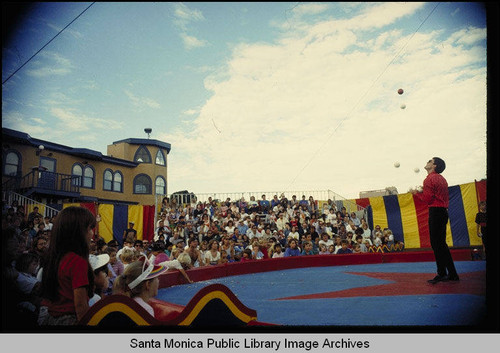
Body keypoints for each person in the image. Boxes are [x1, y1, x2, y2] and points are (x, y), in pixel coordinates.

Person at [38, 206, 96, 325]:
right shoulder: (77, 261)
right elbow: (80, 305)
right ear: (77, 231)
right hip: (70, 319)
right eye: (90, 228)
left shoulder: (55, 258)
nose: (92, 233)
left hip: (52, 318)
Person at [411, 157, 459, 284]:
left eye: (430, 161)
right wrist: (424, 189)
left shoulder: (428, 179)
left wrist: (416, 193)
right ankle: (452, 273)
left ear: (435, 166)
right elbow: (436, 194)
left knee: (437, 244)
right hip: (443, 211)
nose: (427, 161)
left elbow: (428, 199)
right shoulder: (442, 179)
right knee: (441, 244)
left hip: (436, 212)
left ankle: (442, 273)